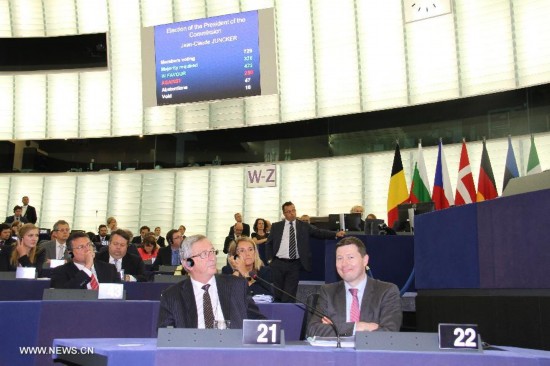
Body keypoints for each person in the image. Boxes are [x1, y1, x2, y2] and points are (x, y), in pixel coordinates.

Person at [158, 234, 265, 328]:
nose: (212, 258)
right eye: (204, 254)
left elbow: (259, 323)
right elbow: (166, 337)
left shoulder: (237, 286)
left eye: (213, 252)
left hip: (231, 348)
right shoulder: (172, 296)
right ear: (187, 263)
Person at [307, 237, 402, 337]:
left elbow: (390, 333)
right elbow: (313, 330)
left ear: (365, 260)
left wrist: (335, 328)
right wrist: (357, 327)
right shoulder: (328, 292)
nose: (344, 264)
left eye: (350, 257)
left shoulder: (386, 291)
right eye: (339, 258)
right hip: (336, 352)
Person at [266, 201, 345, 303]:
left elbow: (319, 232)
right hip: (278, 263)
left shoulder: (303, 226)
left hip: (294, 264)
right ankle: (278, 315)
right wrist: (270, 260)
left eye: (293, 210)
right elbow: (269, 243)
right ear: (284, 214)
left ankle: (288, 315)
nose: (292, 213)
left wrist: (335, 234)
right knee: (278, 293)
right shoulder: (277, 226)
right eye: (289, 211)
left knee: (289, 294)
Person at [50, 231, 120, 289]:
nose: (87, 249)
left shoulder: (109, 269)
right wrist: (87, 267)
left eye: (89, 245)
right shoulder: (60, 272)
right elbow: (65, 295)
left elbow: (119, 295)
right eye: (81, 247)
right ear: (70, 252)